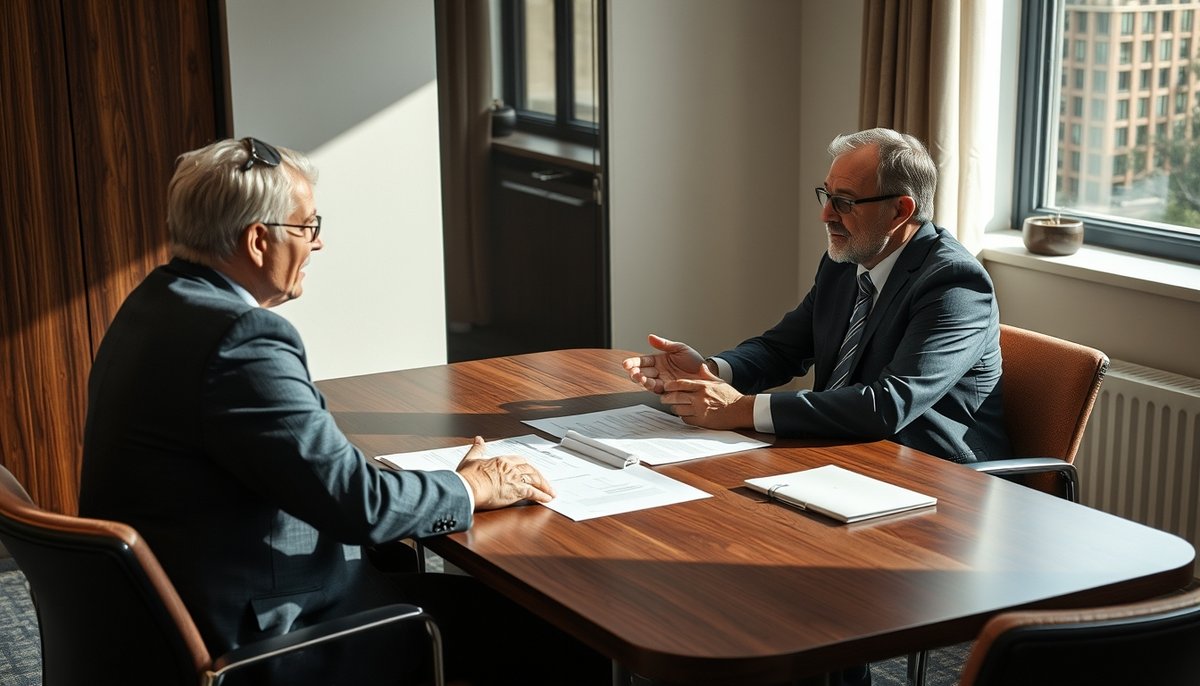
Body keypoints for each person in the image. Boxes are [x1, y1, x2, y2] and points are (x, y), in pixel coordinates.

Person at [80, 137, 606, 686]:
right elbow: (358, 507)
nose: (319, 242)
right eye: (307, 226)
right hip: (270, 634)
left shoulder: (153, 303)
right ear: (259, 240)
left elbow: (302, 469)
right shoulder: (242, 339)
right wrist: (472, 488)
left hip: (176, 613)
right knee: (562, 633)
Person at [623, 127, 1012, 471]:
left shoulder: (954, 284)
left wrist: (738, 408)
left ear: (900, 210)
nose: (826, 214)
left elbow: (887, 405)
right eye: (826, 195)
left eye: (844, 202)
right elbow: (782, 348)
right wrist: (712, 370)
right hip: (841, 454)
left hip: (934, 475)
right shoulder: (845, 260)